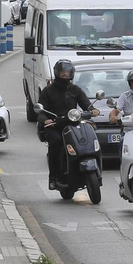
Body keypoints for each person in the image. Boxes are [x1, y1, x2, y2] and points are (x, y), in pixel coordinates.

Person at [38, 60, 93, 190]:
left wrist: (93, 109)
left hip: (72, 125)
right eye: (63, 72)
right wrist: (45, 120)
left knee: (86, 137)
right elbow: (40, 111)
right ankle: (53, 178)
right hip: (55, 127)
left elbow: (86, 103)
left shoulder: (75, 89)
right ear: (57, 72)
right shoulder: (48, 90)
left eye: (67, 72)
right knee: (56, 142)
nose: (65, 75)